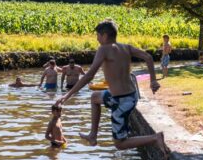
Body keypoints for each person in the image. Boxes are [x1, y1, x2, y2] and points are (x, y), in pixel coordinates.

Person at [55, 19, 166, 152]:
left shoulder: (104, 49)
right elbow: (148, 57)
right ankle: (93, 136)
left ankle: (155, 138)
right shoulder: (126, 47)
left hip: (122, 101)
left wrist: (67, 95)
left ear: (105, 36)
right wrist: (153, 81)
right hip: (129, 96)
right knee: (95, 97)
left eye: (98, 35)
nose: (97, 38)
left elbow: (89, 75)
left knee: (119, 144)